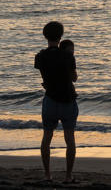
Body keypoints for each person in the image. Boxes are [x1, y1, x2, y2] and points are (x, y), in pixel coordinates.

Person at [34, 21, 78, 183]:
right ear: (61, 36)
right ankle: (68, 176)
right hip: (67, 100)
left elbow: (45, 78)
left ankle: (47, 175)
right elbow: (73, 77)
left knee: (47, 137)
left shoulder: (39, 56)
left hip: (50, 100)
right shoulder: (68, 56)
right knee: (70, 139)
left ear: (45, 36)